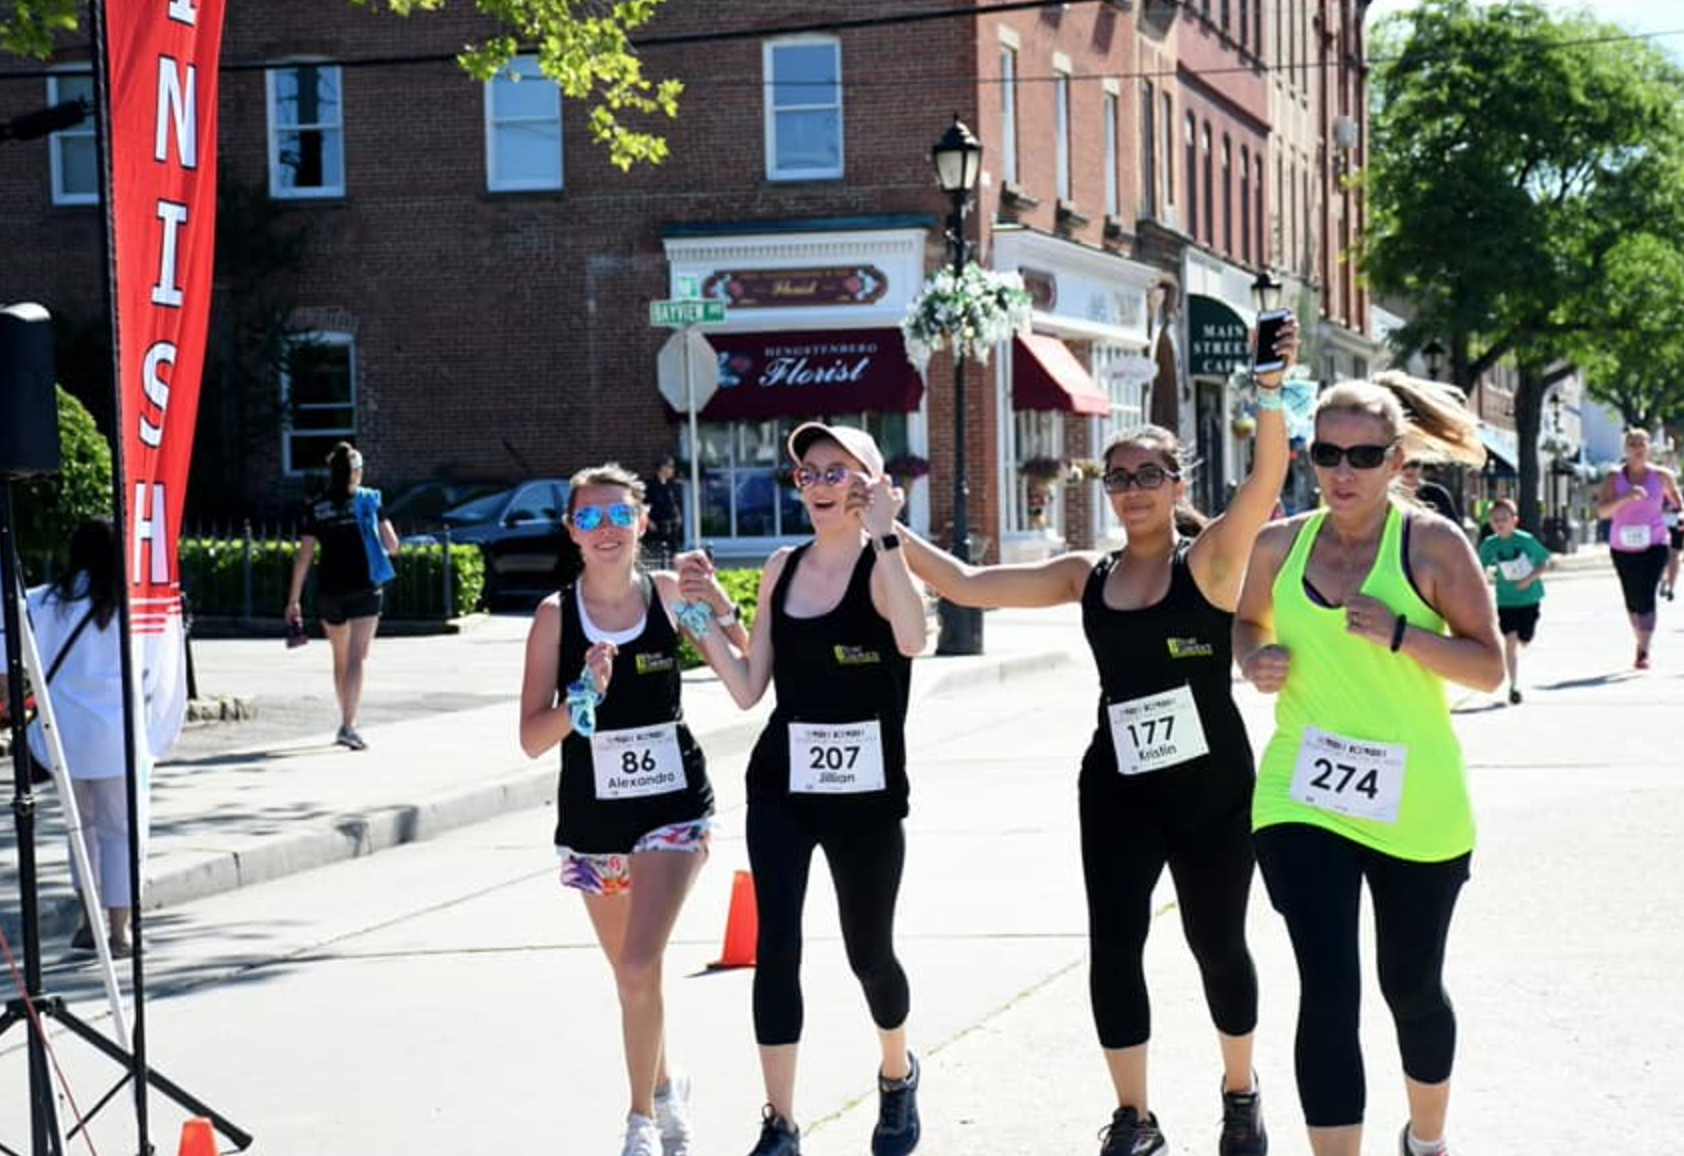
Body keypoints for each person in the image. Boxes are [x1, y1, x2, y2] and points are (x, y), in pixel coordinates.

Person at [892, 318, 1298, 1156]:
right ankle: (1134, 1116)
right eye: (1119, 477)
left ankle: (1240, 1091)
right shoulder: (1089, 574)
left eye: (1151, 473)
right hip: (1116, 787)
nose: (1135, 488)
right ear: (1106, 490)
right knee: (1114, 946)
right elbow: (969, 584)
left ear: (1174, 481)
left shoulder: (1212, 563)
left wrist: (1266, 390)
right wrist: (884, 529)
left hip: (1212, 788)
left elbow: (1266, 477)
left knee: (1217, 944)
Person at [1233, 373, 1504, 1156]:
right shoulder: (1279, 544)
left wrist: (1400, 635)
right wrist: (1256, 660)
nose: (1342, 472)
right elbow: (1247, 624)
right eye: (1326, 454)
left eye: (1363, 456)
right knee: (1328, 987)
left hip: (1416, 799)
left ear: (1397, 460)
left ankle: (1426, 1138)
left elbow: (1489, 669)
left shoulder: (1432, 544)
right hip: (1300, 792)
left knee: (1410, 988)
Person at [678, 422, 927, 1156]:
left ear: (871, 484)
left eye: (836, 472)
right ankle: (781, 1123)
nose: (819, 487)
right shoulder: (783, 568)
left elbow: (913, 638)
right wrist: (703, 615)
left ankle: (896, 1073)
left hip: (868, 798)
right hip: (783, 787)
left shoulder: (886, 566)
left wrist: (887, 537)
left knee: (869, 952)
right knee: (776, 945)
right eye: (808, 474)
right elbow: (751, 686)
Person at [518, 462, 744, 1156]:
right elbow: (532, 737)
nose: (607, 529)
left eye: (619, 515)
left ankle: (640, 1121)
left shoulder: (673, 596)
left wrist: (724, 606)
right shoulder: (557, 616)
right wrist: (582, 697)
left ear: (643, 522)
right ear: (572, 533)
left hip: (674, 808)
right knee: (632, 975)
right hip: (593, 823)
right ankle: (670, 1086)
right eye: (590, 518)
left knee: (640, 963)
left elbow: (744, 677)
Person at [0, 520, 156, 957]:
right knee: (121, 833)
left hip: (63, 739)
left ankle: (90, 923)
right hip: (119, 738)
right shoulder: (129, 602)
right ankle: (121, 930)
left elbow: (8, 636)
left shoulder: (47, 601)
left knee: (81, 832)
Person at [285, 442, 400, 749]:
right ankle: (348, 724)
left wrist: (293, 600)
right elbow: (392, 545)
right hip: (365, 587)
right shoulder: (369, 500)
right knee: (357, 659)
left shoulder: (316, 505)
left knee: (340, 658)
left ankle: (346, 718)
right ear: (357, 473)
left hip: (329, 591)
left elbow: (304, 556)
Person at [1595, 429, 1681, 669]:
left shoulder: (1662, 476)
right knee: (1633, 600)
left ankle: (1644, 650)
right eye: (1632, 444)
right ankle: (1640, 638)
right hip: (1622, 547)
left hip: (1655, 542)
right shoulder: (1614, 477)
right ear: (1625, 449)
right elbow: (1602, 512)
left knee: (1647, 594)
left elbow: (1677, 501)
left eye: (1641, 443)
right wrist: (1626, 498)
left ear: (1649, 448)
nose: (1637, 448)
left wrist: (1680, 516)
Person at [1476, 498, 1553, 704]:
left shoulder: (1525, 540)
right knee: (1509, 640)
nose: (1500, 523)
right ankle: (1513, 686)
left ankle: (1523, 640)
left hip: (1530, 598)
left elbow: (1545, 561)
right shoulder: (1489, 545)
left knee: (1525, 638)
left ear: (1514, 521)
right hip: (1506, 601)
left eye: (1504, 519)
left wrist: (1528, 579)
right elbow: (1478, 569)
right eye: (1495, 520)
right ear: (1490, 524)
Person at [1399, 458, 1461, 527]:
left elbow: (1454, 527)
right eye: (1404, 465)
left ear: (1421, 466)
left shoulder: (1438, 493)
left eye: (1414, 464)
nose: (1409, 469)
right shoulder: (1390, 495)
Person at [646, 456, 684, 564]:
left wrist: (678, 516)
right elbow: (640, 505)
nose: (673, 469)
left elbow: (674, 503)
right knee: (658, 558)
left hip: (671, 527)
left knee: (675, 555)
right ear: (662, 468)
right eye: (670, 466)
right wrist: (649, 522)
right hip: (656, 528)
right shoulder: (649, 485)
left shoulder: (671, 485)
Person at [1661, 498, 1681, 601]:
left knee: (1673, 555)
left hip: (1676, 520)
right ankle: (1666, 584)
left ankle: (1670, 587)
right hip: (1662, 521)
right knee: (1668, 556)